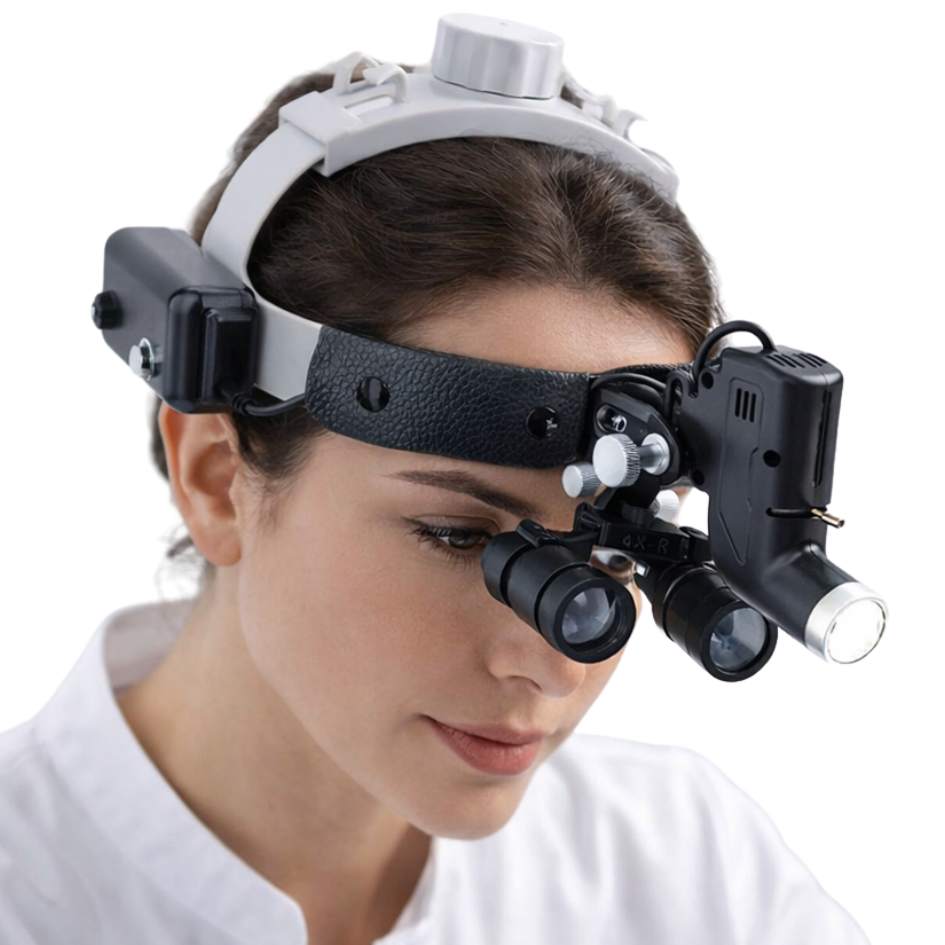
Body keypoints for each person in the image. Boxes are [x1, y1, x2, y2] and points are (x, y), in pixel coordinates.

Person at [0, 62, 872, 945]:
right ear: (217, 478)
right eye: (459, 535)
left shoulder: (685, 867)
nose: (553, 666)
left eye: (619, 551)